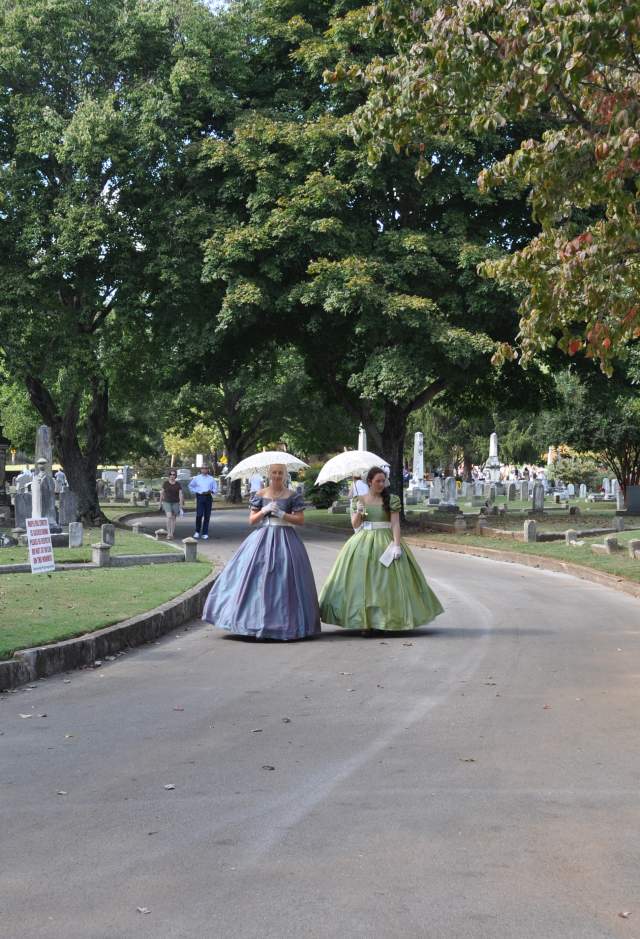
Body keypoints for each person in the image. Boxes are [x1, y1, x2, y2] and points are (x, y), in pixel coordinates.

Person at [202, 463, 320, 640]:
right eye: (274, 472)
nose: (277, 475)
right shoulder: (260, 494)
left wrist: (282, 514)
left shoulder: (292, 495)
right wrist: (264, 510)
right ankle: (253, 621)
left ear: (285, 475)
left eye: (280, 472)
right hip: (263, 536)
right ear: (269, 474)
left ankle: (287, 624)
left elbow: (300, 520)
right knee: (257, 579)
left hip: (286, 537)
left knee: (286, 580)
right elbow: (252, 520)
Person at [320, 466, 443, 635]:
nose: (380, 484)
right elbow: (355, 525)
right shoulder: (360, 499)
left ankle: (385, 620)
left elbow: (395, 524)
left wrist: (397, 545)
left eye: (383, 481)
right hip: (363, 541)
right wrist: (359, 513)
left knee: (386, 583)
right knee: (362, 583)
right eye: (377, 481)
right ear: (369, 481)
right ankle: (365, 623)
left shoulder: (391, 499)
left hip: (386, 540)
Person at [188, 465, 218, 540]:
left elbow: (215, 488)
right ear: (201, 470)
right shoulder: (197, 478)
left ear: (208, 470)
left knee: (207, 515)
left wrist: (211, 491)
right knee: (199, 514)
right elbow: (190, 486)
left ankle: (205, 533)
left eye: (206, 468)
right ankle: (197, 531)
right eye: (203, 468)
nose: (204, 470)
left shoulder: (211, 479)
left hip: (208, 497)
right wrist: (197, 491)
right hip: (200, 496)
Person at [160, 470, 184, 539]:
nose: (172, 476)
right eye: (171, 474)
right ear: (169, 475)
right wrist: (160, 503)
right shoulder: (165, 483)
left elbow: (180, 494)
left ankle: (171, 533)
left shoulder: (178, 484)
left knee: (173, 518)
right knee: (169, 516)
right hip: (167, 502)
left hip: (175, 502)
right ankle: (168, 533)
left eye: (173, 475)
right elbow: (162, 493)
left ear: (175, 476)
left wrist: (181, 504)